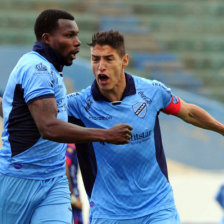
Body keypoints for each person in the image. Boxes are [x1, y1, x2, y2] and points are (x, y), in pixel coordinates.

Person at [66, 30, 224, 224]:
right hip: (109, 213)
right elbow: (45, 122)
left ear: (124, 60)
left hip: (157, 208)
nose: (101, 67)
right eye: (95, 59)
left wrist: (222, 129)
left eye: (108, 59)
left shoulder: (151, 91)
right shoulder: (79, 105)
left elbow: (188, 112)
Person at [0, 11, 132, 224]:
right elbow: (49, 128)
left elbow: (18, 110)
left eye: (76, 35)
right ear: (47, 39)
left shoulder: (49, 68)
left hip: (54, 181)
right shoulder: (37, 68)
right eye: (69, 35)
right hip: (19, 179)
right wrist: (106, 135)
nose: (78, 42)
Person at [65, 143, 83, 224]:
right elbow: (64, 165)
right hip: (70, 199)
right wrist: (72, 198)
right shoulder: (70, 145)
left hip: (73, 196)